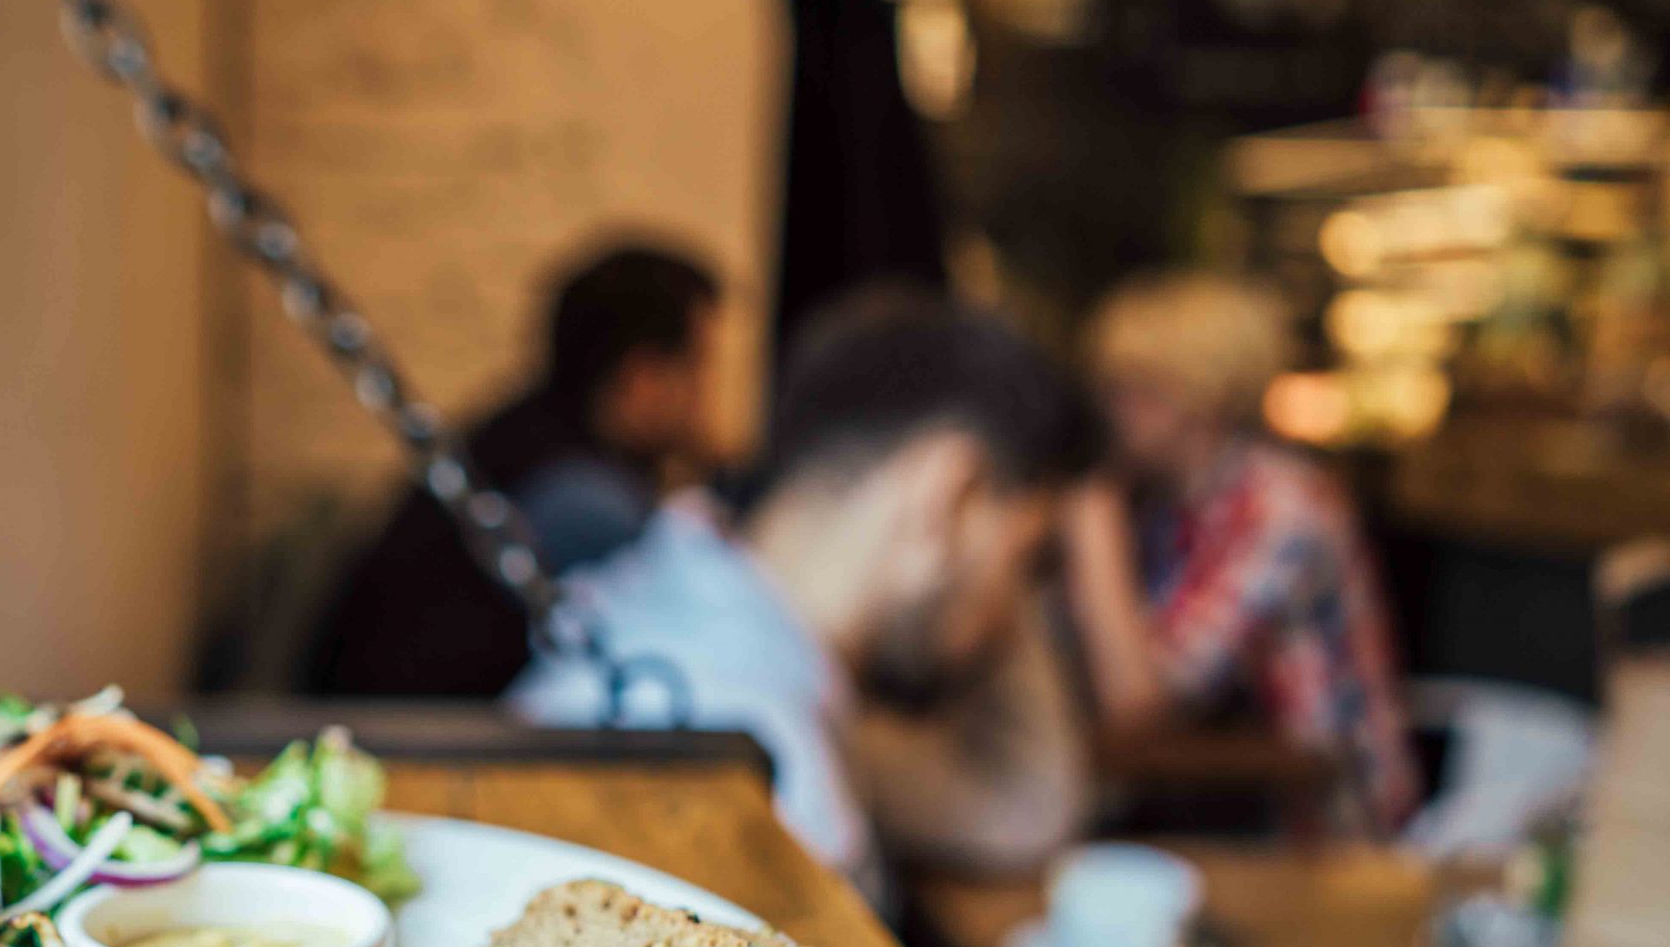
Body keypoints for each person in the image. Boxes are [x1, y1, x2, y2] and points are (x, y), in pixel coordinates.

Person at [509, 291, 1104, 900]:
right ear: (951, 497)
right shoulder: (784, 791)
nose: (1013, 620)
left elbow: (1024, 807)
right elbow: (1029, 801)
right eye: (1031, 562)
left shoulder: (675, 592)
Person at [1061, 272, 1420, 834]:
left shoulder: (1282, 510)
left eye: (1134, 387)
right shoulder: (1166, 505)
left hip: (1323, 833)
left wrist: (1089, 517)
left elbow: (1137, 708)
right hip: (1222, 807)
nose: (1112, 409)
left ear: (1206, 393)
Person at [304, 241, 722, 697]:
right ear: (644, 376)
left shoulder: (524, 437)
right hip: (408, 737)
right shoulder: (582, 501)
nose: (707, 397)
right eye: (698, 369)